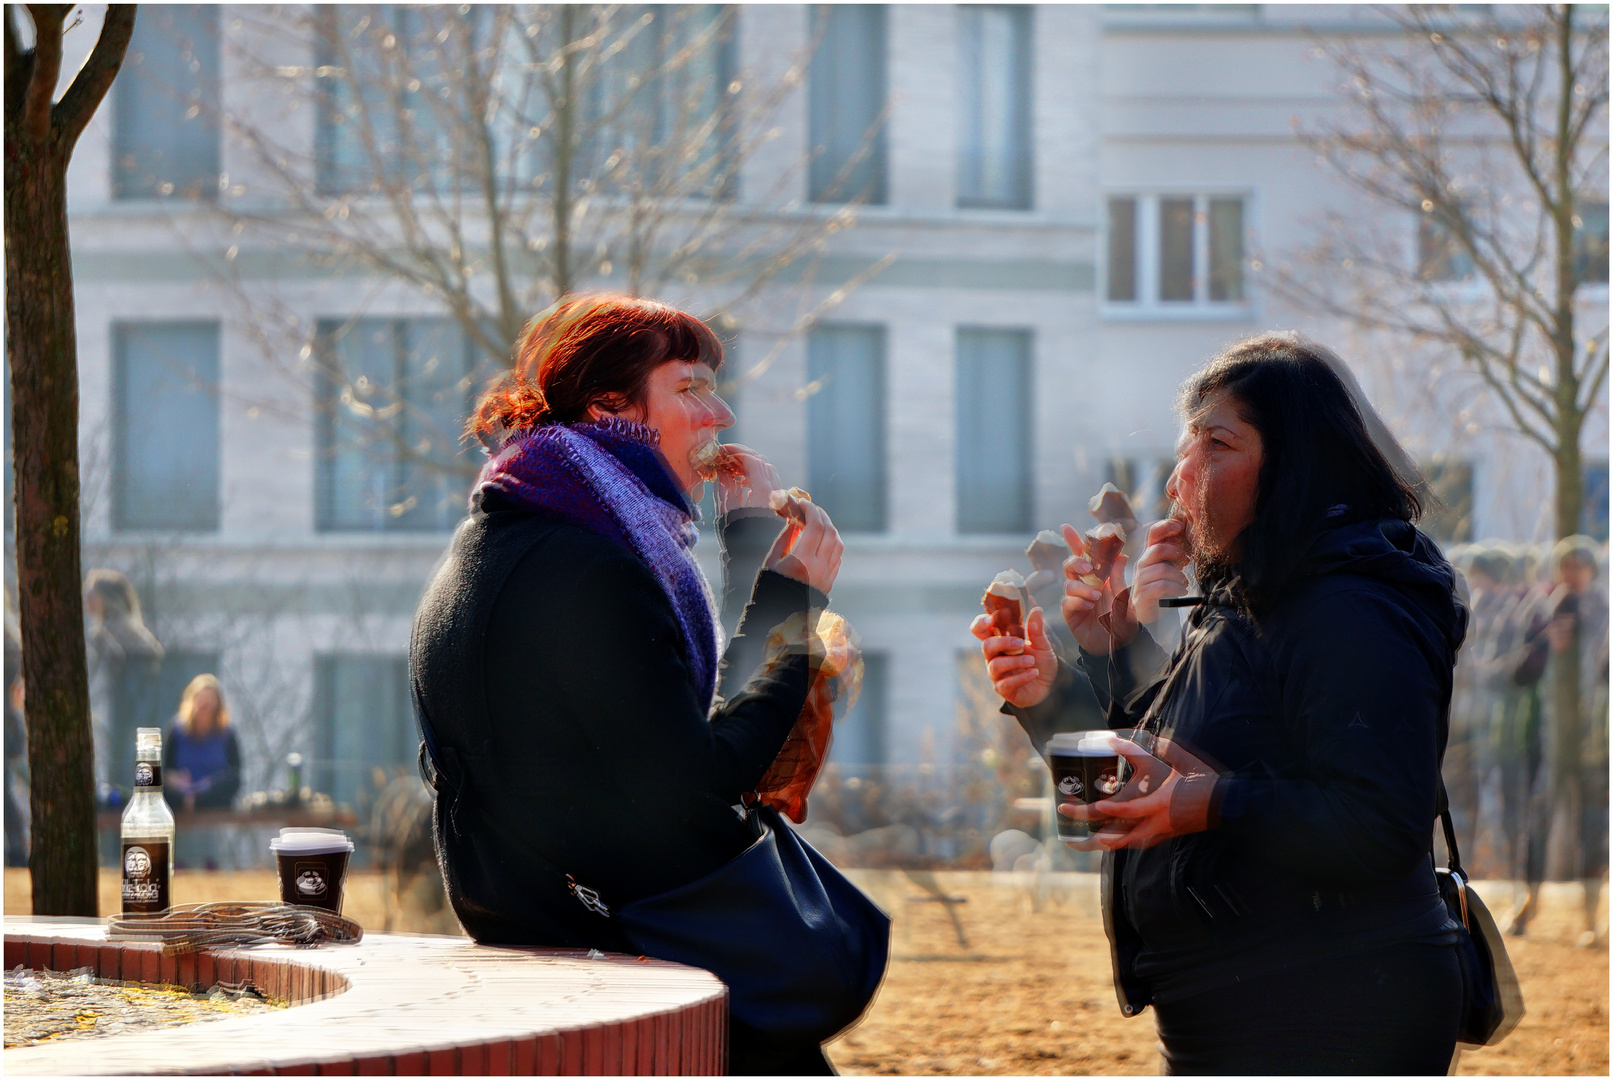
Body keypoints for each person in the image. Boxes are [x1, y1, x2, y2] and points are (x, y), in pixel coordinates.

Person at [973, 333, 1467, 1074]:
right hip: (1237, 1011)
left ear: (1299, 461)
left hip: (1333, 1017)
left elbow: (1378, 822)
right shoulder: (1243, 598)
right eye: (1183, 448)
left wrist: (1206, 805)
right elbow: (1154, 772)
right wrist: (1058, 688)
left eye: (1216, 444)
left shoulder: (1350, 608)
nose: (1180, 479)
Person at [411, 294, 848, 1075]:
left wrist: (747, 550)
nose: (718, 414)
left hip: (563, 952)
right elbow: (699, 777)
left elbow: (665, 712)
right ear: (611, 405)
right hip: (635, 966)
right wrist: (789, 610)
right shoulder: (588, 569)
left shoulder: (515, 532)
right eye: (688, 388)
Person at [83, 568, 164, 794]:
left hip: (119, 735)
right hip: (134, 738)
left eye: (91, 594)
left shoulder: (108, 635)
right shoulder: (138, 635)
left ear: (106, 598)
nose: (87, 600)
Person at [163, 674, 242, 812]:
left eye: (208, 703)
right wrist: (175, 781)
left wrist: (206, 788)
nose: (204, 708)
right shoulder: (176, 731)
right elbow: (165, 771)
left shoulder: (227, 734)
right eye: (200, 702)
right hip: (179, 798)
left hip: (213, 798)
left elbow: (235, 773)